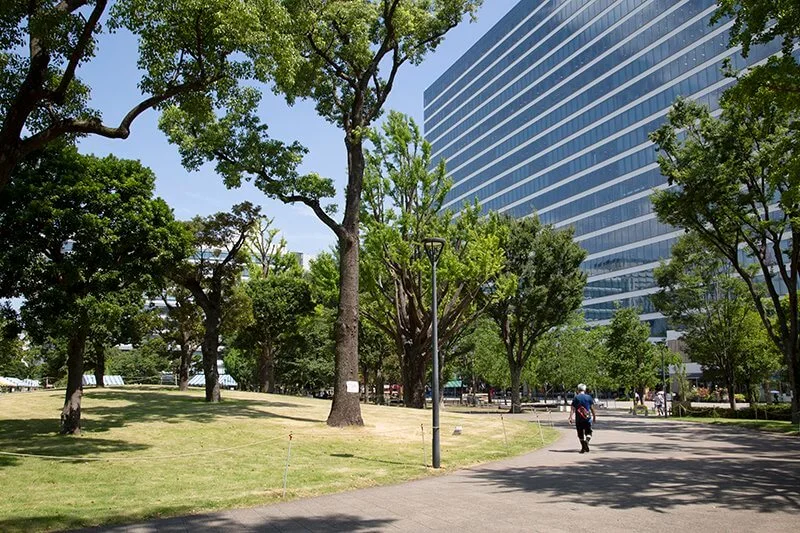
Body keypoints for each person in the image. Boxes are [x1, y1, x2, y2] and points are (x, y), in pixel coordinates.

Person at [568, 383, 597, 453]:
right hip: (587, 418)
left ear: (578, 390)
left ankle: (583, 447)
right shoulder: (589, 397)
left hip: (579, 419)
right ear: (585, 390)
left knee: (580, 434)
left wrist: (570, 417)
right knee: (589, 432)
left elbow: (572, 409)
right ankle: (586, 442)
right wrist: (594, 417)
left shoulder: (576, 398)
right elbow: (592, 408)